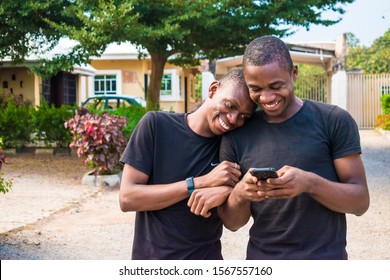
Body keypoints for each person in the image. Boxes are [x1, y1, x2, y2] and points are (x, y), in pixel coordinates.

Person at [218, 36, 370, 260]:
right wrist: (241, 193)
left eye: (276, 86)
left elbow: (360, 202)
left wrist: (310, 183)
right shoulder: (237, 134)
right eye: (255, 89)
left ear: (294, 73)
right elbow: (232, 224)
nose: (267, 97)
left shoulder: (333, 120)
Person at [119, 68, 257, 260]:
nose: (234, 119)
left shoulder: (232, 147)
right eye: (230, 105)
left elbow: (233, 224)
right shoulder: (156, 125)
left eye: (244, 116)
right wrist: (199, 183)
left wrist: (231, 191)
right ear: (213, 89)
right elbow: (128, 199)